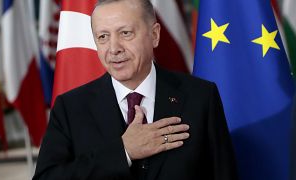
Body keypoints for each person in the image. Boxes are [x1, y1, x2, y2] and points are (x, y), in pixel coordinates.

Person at [33, 0, 237, 179]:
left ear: (154, 35)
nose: (114, 48)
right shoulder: (70, 108)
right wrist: (124, 152)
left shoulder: (200, 97)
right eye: (103, 36)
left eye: (125, 33)